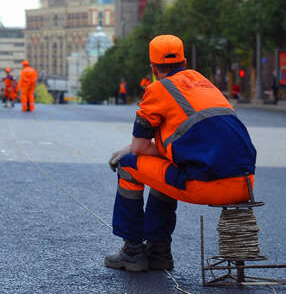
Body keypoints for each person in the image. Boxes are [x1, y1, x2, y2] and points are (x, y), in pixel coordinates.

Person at [105, 34, 257, 272]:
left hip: (206, 183)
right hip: (244, 184)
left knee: (127, 165)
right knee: (164, 169)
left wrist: (129, 149)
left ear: (153, 68)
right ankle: (158, 252)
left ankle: (133, 251)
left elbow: (139, 148)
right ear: (184, 62)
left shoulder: (158, 89)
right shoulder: (203, 82)